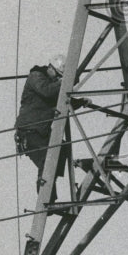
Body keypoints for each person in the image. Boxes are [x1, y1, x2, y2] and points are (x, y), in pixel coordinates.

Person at [14, 54, 89, 207]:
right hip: (28, 131)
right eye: (58, 76)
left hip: (40, 132)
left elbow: (62, 101)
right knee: (47, 157)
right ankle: (45, 199)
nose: (57, 80)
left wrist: (80, 102)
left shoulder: (51, 83)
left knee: (61, 150)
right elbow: (47, 91)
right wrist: (66, 82)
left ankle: (50, 198)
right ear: (51, 68)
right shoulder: (36, 77)